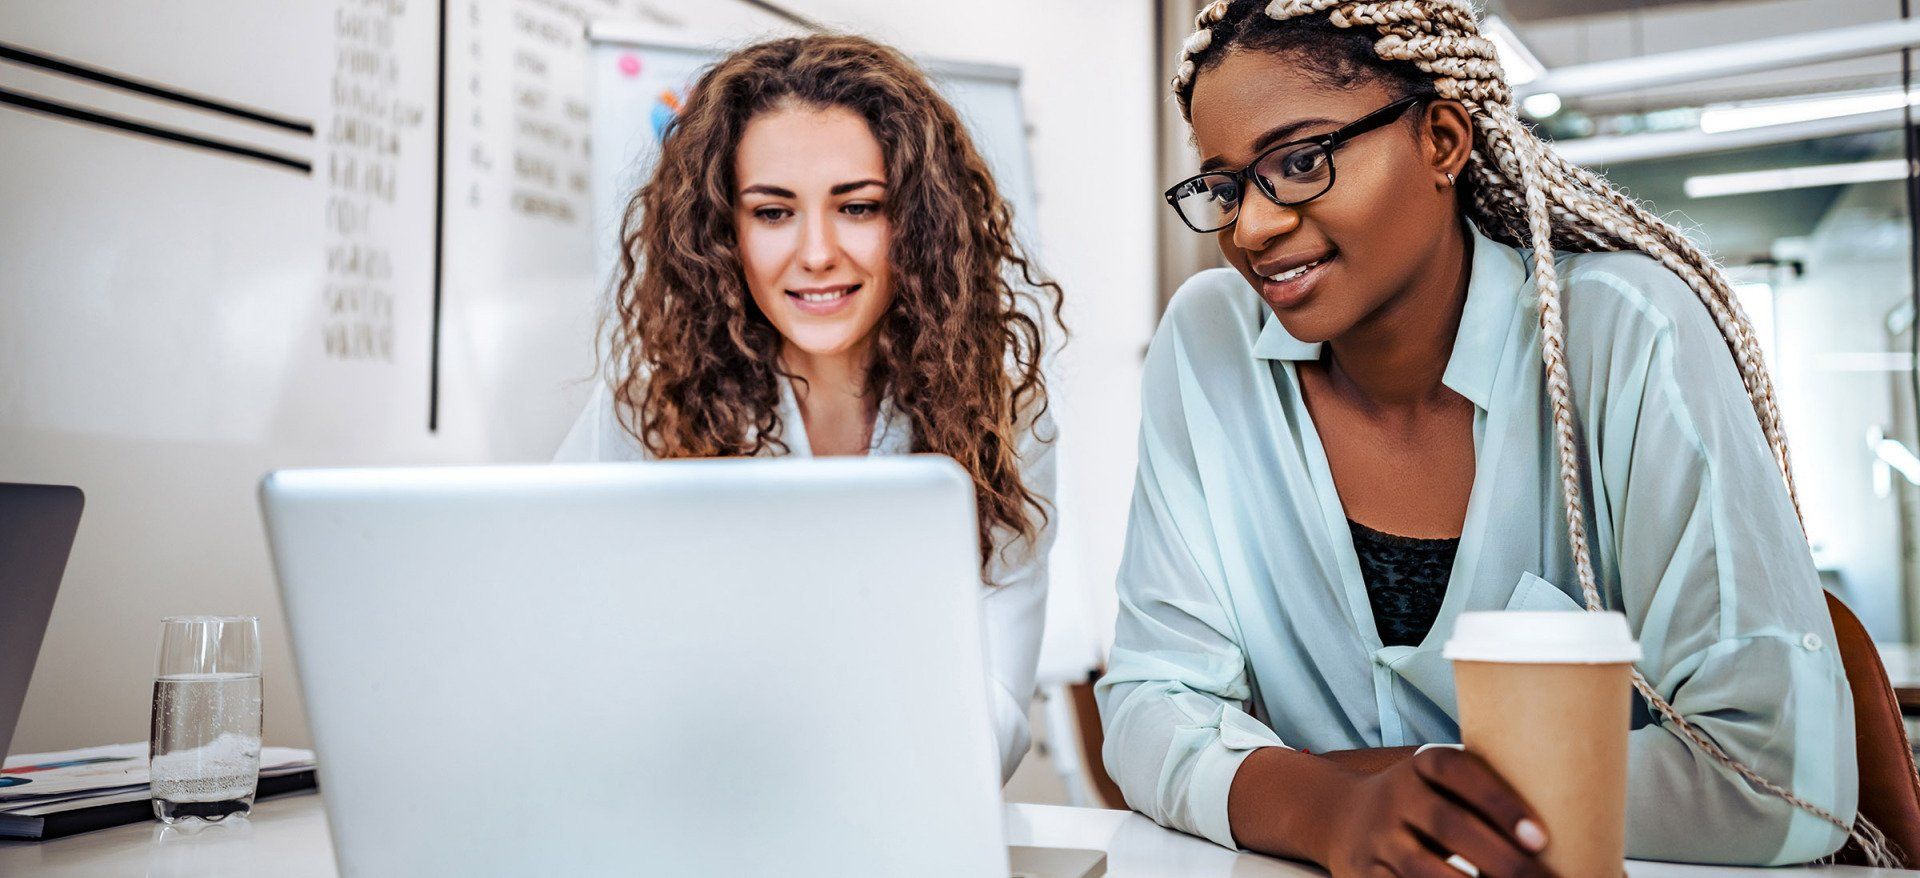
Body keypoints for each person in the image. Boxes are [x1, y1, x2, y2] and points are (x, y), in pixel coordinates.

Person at [1097, 0, 1863, 871]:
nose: (1253, 228)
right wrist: (1329, 814)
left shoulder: (1624, 334)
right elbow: (1149, 703)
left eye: (1302, 162)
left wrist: (1375, 787)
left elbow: (1773, 780)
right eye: (1227, 186)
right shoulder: (1209, 345)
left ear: (1443, 142)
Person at [556, 34, 1062, 783]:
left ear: (918, 222)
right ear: (722, 232)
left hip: (904, 821)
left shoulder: (1004, 414)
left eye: (858, 207)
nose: (817, 251)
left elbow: (993, 712)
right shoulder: (650, 399)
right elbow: (563, 645)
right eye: (772, 213)